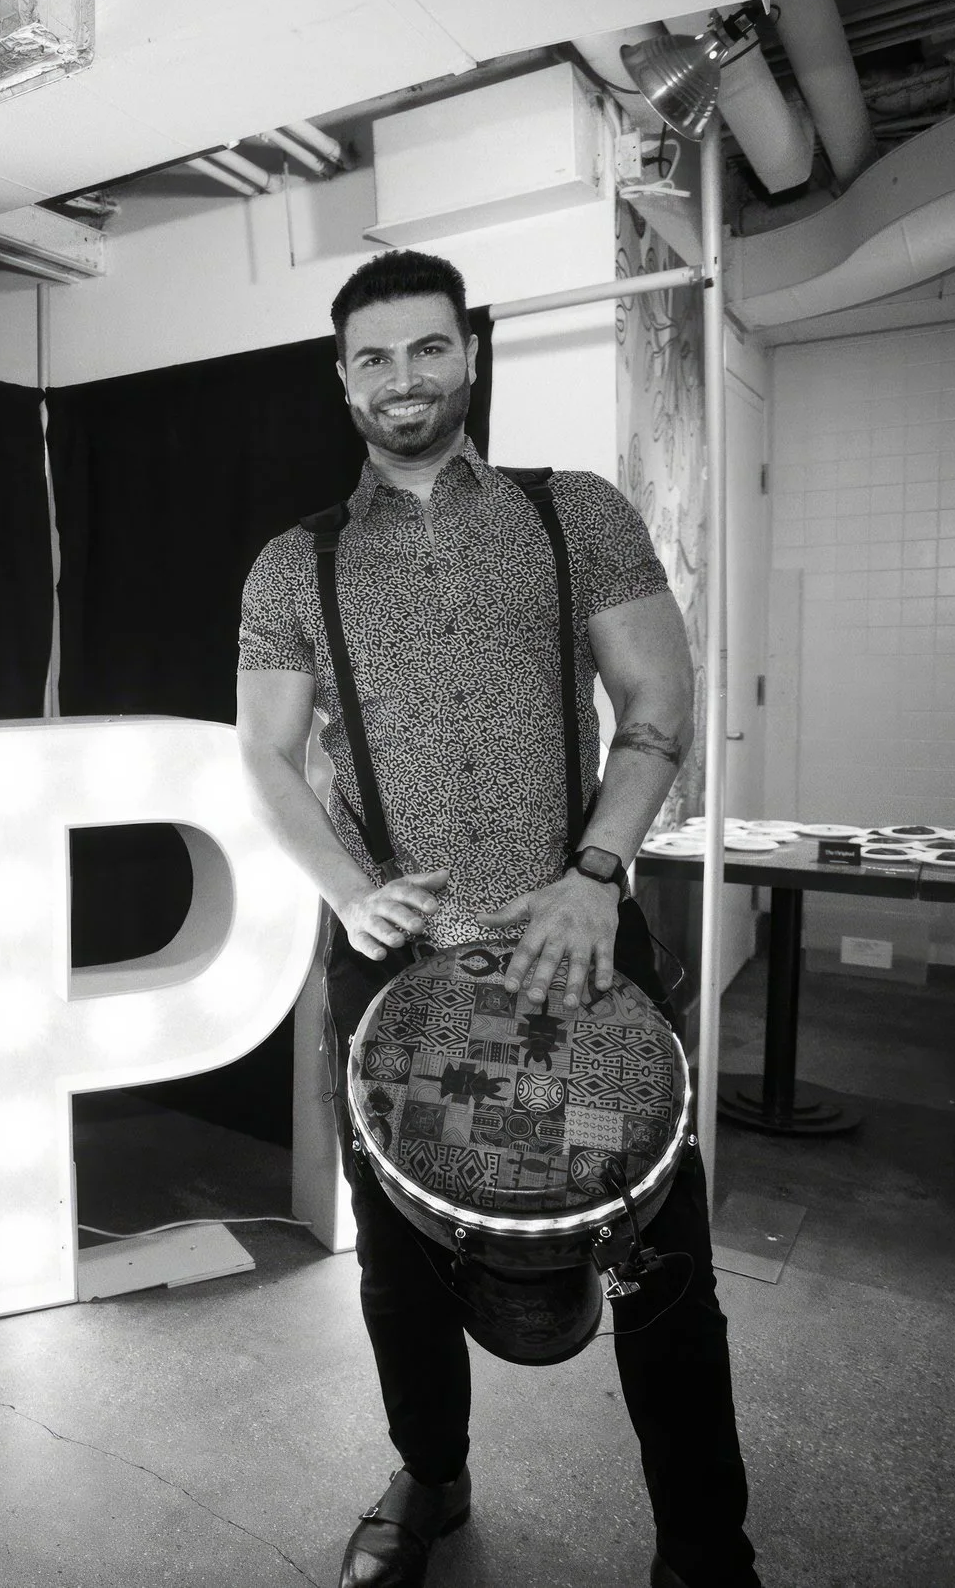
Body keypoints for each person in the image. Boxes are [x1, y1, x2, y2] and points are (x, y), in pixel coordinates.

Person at [235, 250, 760, 1588]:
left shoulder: (572, 512)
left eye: (426, 349)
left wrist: (597, 872)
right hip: (397, 971)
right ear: (341, 377)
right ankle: (434, 1476)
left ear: (468, 352)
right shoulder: (293, 565)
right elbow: (266, 761)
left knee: (661, 1268)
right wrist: (351, 892)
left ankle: (706, 1546)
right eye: (372, 357)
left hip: (579, 949)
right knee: (400, 1271)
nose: (401, 380)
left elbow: (658, 709)